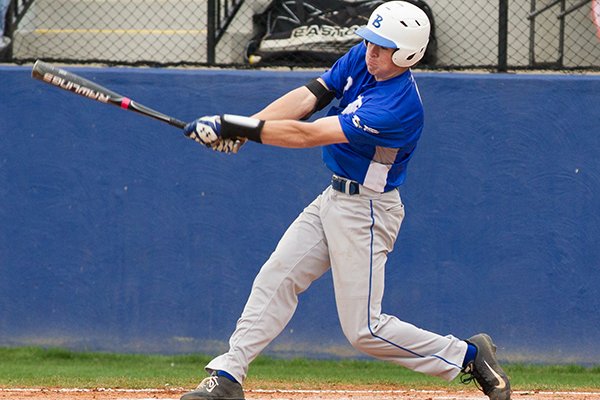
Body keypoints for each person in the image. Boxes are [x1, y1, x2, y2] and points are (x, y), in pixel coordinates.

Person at [180, 2, 511, 400]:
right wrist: (244, 127)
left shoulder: (396, 107)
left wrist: (232, 125)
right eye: (370, 42)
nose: (370, 51)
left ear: (407, 54)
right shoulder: (363, 58)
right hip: (333, 198)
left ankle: (469, 355)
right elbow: (309, 96)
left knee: (364, 331)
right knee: (277, 277)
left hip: (368, 212)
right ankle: (229, 374)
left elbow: (308, 135)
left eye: (382, 47)